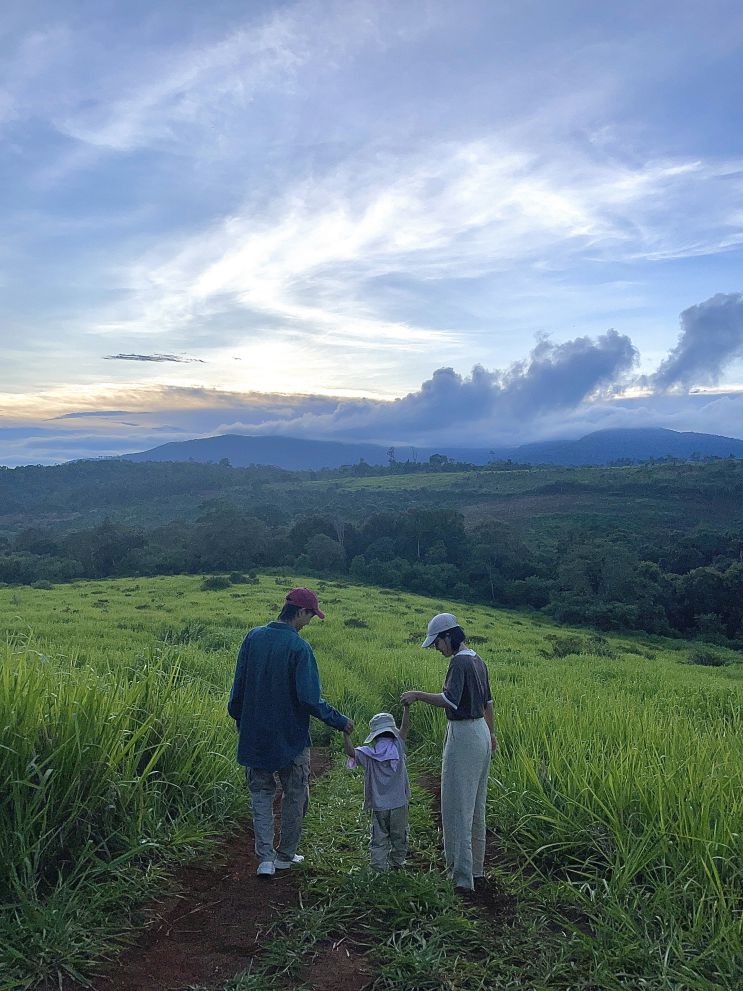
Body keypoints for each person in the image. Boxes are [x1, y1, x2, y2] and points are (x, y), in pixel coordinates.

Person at [228, 587, 353, 877]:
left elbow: (238, 690)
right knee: (295, 794)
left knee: (261, 794)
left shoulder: (253, 638)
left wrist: (241, 720)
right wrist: (339, 721)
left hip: (255, 736)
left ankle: (265, 859)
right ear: (301, 612)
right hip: (291, 737)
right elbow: (309, 699)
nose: (309, 622)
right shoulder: (299, 648)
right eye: (311, 616)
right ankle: (285, 855)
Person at [401, 612, 496, 894]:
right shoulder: (477, 659)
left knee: (458, 805)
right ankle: (475, 870)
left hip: (464, 734)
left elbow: (449, 700)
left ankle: (461, 878)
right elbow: (489, 703)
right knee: (476, 805)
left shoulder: (459, 662)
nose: (436, 648)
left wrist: (417, 695)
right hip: (480, 732)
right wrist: (492, 734)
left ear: (448, 637)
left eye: (437, 643)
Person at [343, 708, 411, 871]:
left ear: (375, 736)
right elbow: (405, 726)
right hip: (399, 804)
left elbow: (350, 752)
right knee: (399, 836)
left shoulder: (369, 754)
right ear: (392, 733)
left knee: (379, 837)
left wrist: (346, 734)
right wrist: (406, 708)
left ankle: (378, 867)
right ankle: (397, 862)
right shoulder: (398, 747)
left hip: (379, 806)